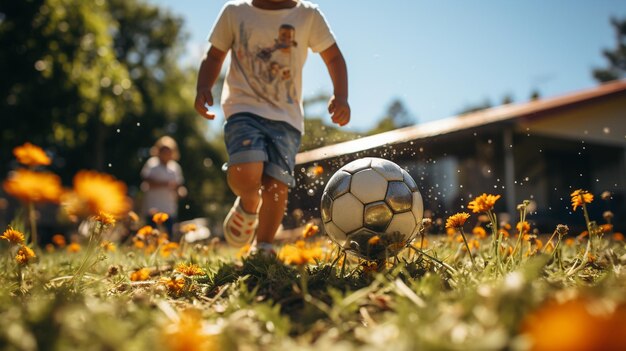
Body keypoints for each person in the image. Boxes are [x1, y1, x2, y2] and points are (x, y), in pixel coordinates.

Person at [194, 0, 350, 254]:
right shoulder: (235, 13)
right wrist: (203, 87)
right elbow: (214, 55)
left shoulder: (307, 15)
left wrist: (340, 95)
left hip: (286, 120)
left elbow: (333, 56)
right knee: (247, 171)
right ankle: (249, 200)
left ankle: (264, 243)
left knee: (276, 185)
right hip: (244, 109)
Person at [140, 136, 186, 237]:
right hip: (152, 207)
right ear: (158, 151)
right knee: (151, 235)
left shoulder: (175, 167)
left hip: (169, 208)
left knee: (168, 235)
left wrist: (181, 191)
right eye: (164, 151)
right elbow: (147, 181)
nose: (166, 154)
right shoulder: (152, 164)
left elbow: (179, 186)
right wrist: (166, 184)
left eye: (169, 151)